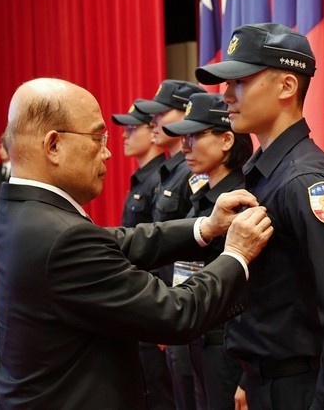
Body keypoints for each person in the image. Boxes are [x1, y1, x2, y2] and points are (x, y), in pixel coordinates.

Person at [0, 77, 273, 410]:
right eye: (98, 137)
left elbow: (116, 241)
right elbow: (175, 313)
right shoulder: (63, 236)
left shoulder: (21, 211)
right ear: (53, 145)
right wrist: (236, 255)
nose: (108, 152)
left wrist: (205, 227)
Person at [195, 22, 324, 409]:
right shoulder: (265, 169)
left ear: (287, 87)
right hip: (265, 378)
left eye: (240, 82)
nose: (226, 95)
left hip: (301, 386)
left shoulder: (304, 179)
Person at [163, 92, 253, 409]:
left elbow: (258, 288)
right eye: (183, 137)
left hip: (229, 346)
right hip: (198, 337)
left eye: (195, 135)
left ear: (227, 140)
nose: (185, 146)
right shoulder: (203, 196)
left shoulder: (243, 199)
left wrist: (248, 373)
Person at [135, 79, 207, 410]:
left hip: (185, 305)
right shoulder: (171, 170)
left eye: (162, 113)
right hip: (168, 299)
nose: (154, 122)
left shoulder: (193, 175)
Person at [112, 102, 173, 409]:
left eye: (132, 129)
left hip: (152, 298)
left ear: (152, 133)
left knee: (160, 391)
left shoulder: (158, 180)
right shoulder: (144, 178)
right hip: (140, 297)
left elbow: (159, 248)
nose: (124, 136)